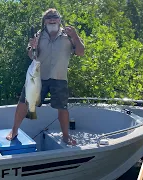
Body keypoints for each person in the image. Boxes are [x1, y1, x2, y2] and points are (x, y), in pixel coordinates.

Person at [6, 8, 85, 145]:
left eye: (55, 17)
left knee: (63, 108)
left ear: (59, 19)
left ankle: (65, 135)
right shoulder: (39, 35)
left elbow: (81, 53)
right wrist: (32, 47)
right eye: (49, 18)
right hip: (37, 77)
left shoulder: (69, 35)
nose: (52, 19)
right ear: (44, 21)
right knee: (24, 102)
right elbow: (32, 56)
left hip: (59, 78)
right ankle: (14, 130)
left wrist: (76, 37)